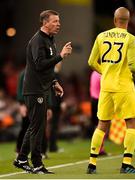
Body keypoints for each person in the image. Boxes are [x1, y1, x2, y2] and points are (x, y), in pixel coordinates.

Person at [86, 7, 135, 174]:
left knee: (102, 124)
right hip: (123, 86)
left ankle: (92, 164)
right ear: (127, 21)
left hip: (106, 87)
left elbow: (91, 62)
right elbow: (132, 65)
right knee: (131, 122)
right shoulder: (132, 39)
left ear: (114, 20)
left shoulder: (101, 36)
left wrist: (105, 71)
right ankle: (126, 164)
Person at [13, 10, 72, 174]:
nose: (58, 24)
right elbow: (39, 65)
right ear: (45, 22)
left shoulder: (49, 39)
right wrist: (60, 56)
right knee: (38, 128)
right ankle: (37, 163)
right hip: (34, 89)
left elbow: (46, 68)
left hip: (41, 88)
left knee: (36, 126)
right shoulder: (38, 40)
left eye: (59, 21)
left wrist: (54, 82)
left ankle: (22, 159)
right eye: (55, 21)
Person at [89, 71, 107, 155]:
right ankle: (100, 148)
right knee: (102, 125)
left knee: (96, 125)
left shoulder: (93, 73)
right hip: (100, 100)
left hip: (93, 100)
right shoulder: (101, 73)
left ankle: (96, 148)